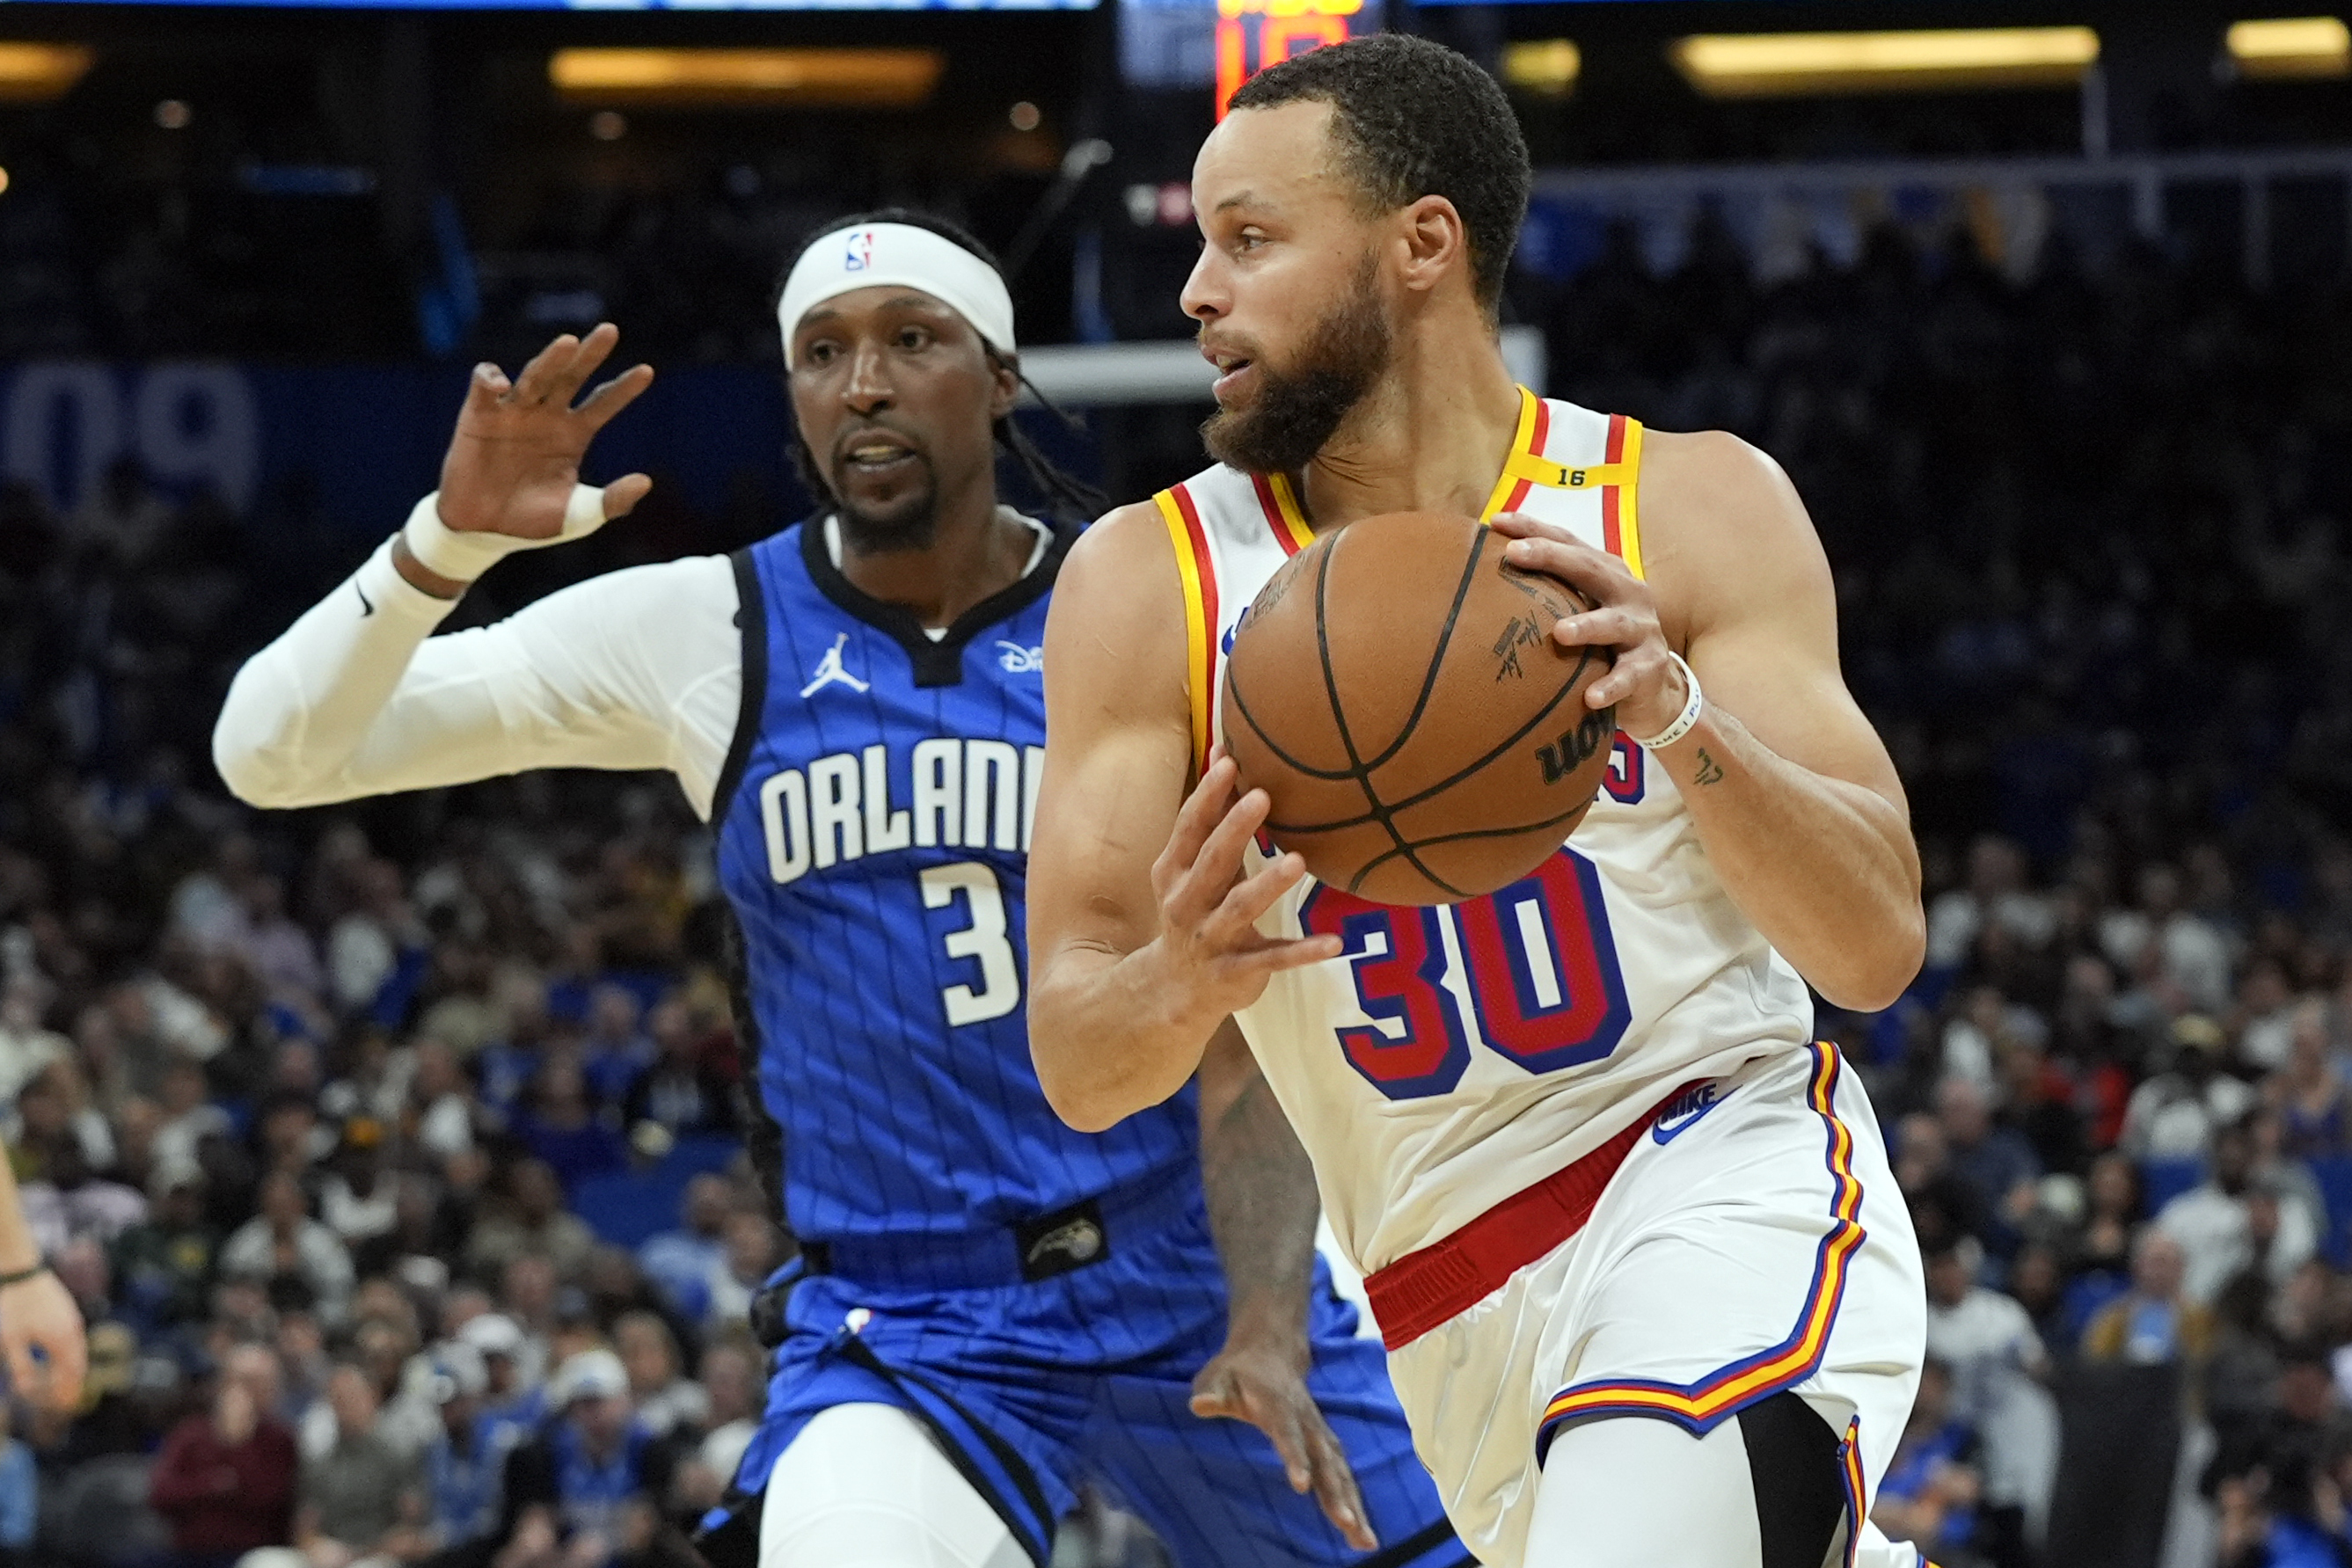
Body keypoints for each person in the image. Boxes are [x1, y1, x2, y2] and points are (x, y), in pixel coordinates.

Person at [210, 210, 1459, 1568]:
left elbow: (1245, 1036)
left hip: (1188, 1267)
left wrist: (1268, 1321)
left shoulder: (1154, 606)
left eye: (910, 339)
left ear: (998, 377)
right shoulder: (707, 630)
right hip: (908, 1323)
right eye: (821, 352)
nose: (862, 383)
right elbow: (271, 755)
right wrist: (443, 543)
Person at [1025, 33, 1926, 1568]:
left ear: (1421, 242)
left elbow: (1874, 945)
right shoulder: (1146, 583)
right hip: (1442, 1302)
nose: (1195, 293)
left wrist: (1679, 717)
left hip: (1712, 1176)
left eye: (1248, 239)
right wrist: (1178, 975)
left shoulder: (1684, 503)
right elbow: (1077, 1057)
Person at [148, 1342, 300, 1567]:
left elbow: (273, 1501)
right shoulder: (191, 1434)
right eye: (246, 1381)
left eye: (264, 1382)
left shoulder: (281, 1440)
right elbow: (161, 1494)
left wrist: (238, 1445)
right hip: (189, 1550)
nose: (254, 1391)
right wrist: (211, 1485)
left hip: (253, 1552)